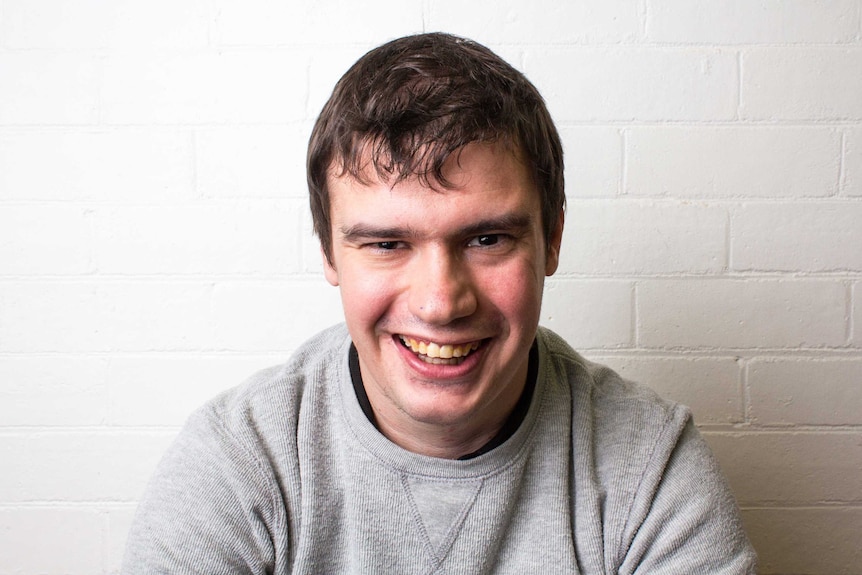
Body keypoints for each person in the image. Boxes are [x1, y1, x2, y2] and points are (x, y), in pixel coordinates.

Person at [122, 32, 757, 573]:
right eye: (387, 243)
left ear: (553, 240)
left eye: (487, 239)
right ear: (328, 252)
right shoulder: (241, 465)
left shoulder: (647, 469)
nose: (440, 302)